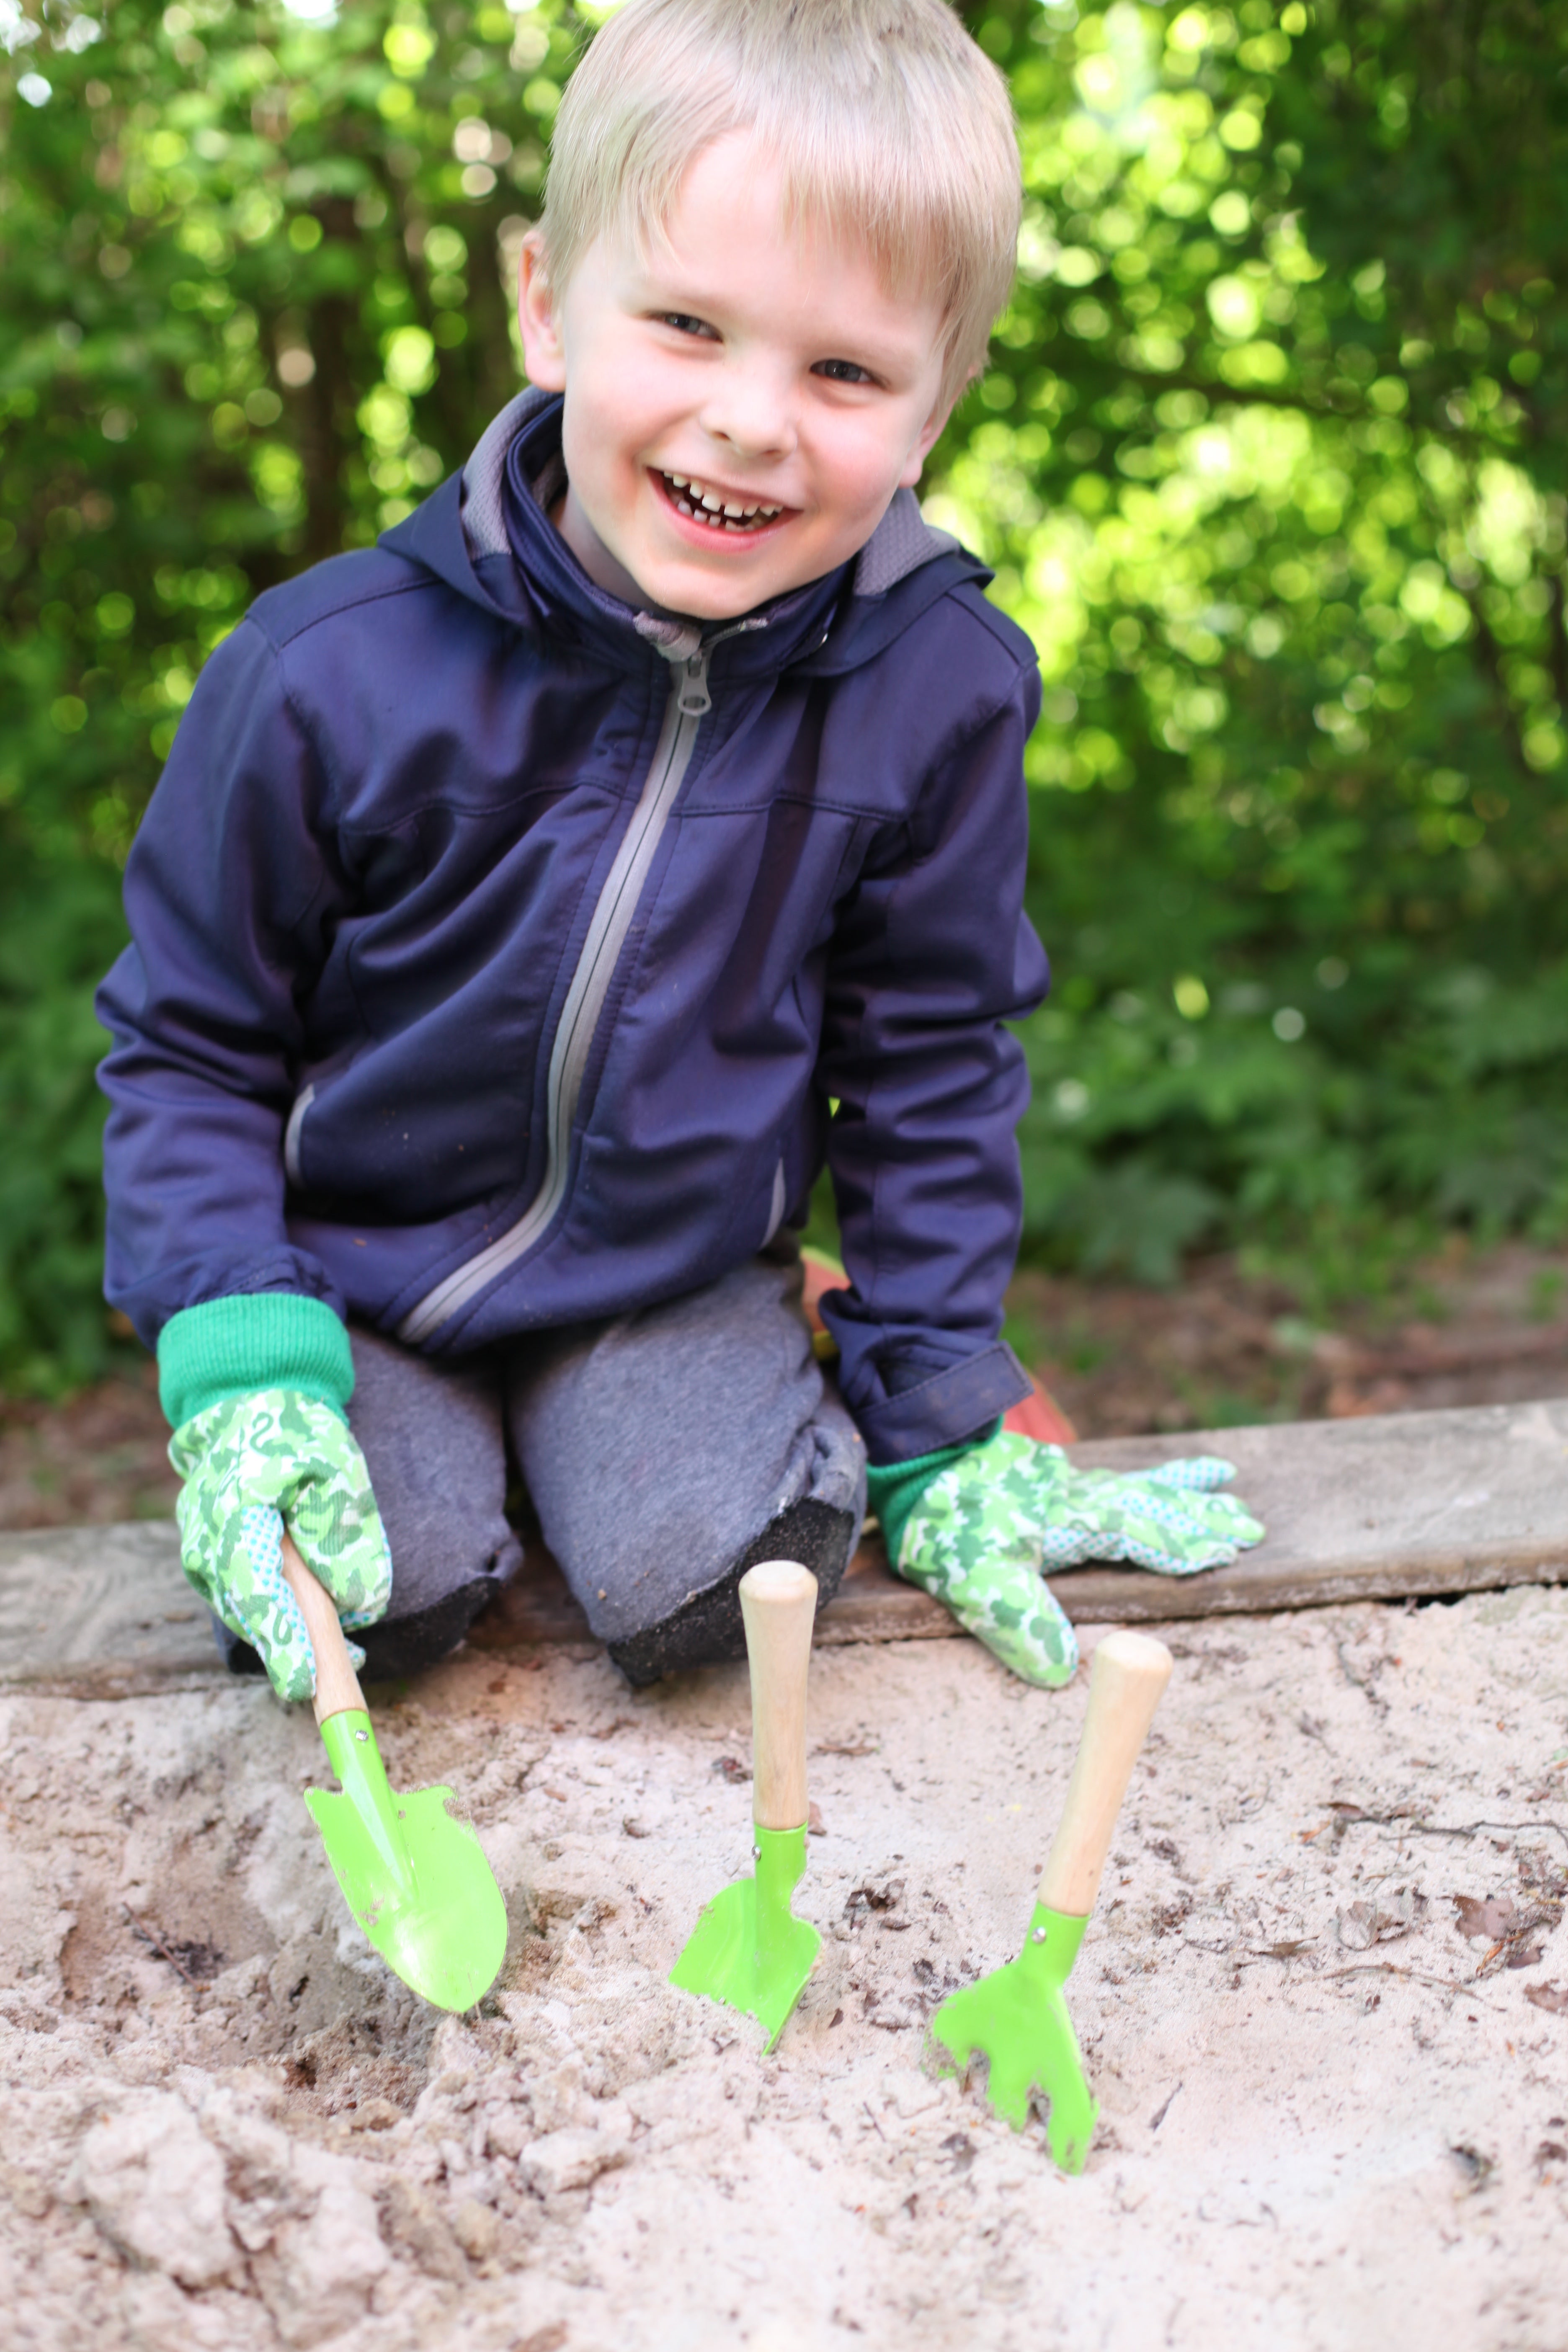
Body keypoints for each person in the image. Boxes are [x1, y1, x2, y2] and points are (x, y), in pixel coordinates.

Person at [96, 0, 1262, 1707]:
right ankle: (387, 1456)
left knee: (719, 1585)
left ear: (933, 408)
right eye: (691, 327)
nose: (752, 421)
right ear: (551, 305)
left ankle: (695, 1436)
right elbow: (189, 1042)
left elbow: (929, 1066)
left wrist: (946, 1417)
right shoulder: (321, 671)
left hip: (665, 1288)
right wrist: (239, 1354)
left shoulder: (937, 692)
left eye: (845, 371)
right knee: (376, 1597)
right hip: (348, 1283)